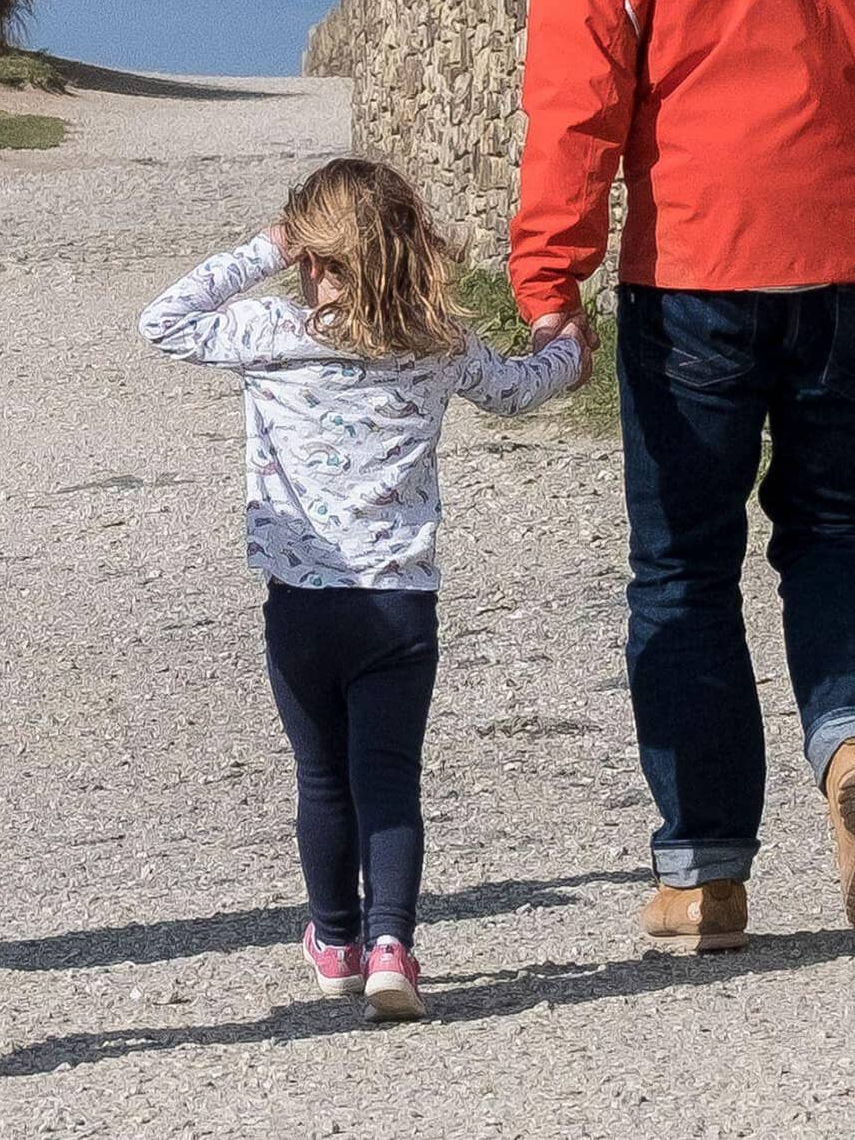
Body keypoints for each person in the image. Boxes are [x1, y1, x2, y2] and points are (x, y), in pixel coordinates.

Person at [513, 0, 855, 948]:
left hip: (696, 268)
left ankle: (705, 876)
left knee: (682, 567)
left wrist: (549, 275)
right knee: (836, 529)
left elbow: (580, 91)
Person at [140, 158, 585, 1021]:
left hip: (303, 603)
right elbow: (522, 390)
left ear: (309, 254)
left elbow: (161, 320)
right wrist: (564, 348)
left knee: (321, 779)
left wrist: (263, 246)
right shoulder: (436, 341)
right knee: (389, 777)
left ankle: (335, 942)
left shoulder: (271, 331)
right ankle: (392, 945)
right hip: (399, 603)